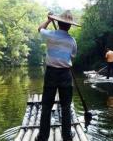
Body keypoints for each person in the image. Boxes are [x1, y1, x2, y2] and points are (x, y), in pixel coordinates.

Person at [36, 10, 80, 141]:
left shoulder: (50, 35)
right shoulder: (72, 41)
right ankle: (66, 136)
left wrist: (49, 20)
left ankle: (43, 137)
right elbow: (72, 56)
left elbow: (40, 29)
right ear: (70, 26)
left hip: (51, 73)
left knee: (46, 106)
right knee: (66, 106)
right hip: (66, 74)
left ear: (58, 23)